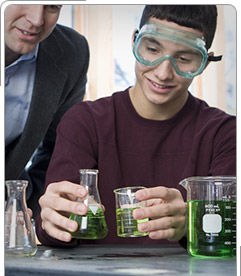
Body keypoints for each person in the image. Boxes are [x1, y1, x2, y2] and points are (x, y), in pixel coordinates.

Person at [36, 5, 236, 248]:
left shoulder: (225, 134)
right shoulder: (84, 122)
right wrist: (50, 221)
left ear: (203, 63)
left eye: (184, 59)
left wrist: (191, 224)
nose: (163, 73)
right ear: (134, 42)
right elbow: (54, 230)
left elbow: (231, 238)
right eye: (152, 49)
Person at [5, 4, 89, 217]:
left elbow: (57, 149)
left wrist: (29, 205)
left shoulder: (71, 53)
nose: (36, 20)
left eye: (52, 6)